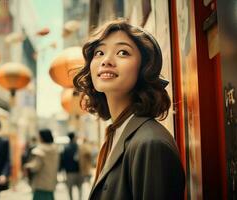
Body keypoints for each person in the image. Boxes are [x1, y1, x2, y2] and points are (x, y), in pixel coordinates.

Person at [73, 18, 185, 199]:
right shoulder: (117, 132)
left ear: (144, 68)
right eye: (99, 52)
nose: (106, 60)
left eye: (123, 52)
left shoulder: (151, 144)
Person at [24, 129, 59, 200]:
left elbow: (35, 167)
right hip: (51, 182)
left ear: (42, 137)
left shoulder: (40, 150)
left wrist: (27, 166)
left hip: (41, 183)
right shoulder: (55, 149)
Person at [60, 132, 83, 200]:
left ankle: (71, 199)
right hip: (78, 170)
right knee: (79, 187)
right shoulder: (78, 146)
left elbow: (62, 160)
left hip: (69, 171)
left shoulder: (65, 147)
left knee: (70, 188)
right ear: (74, 137)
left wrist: (63, 170)